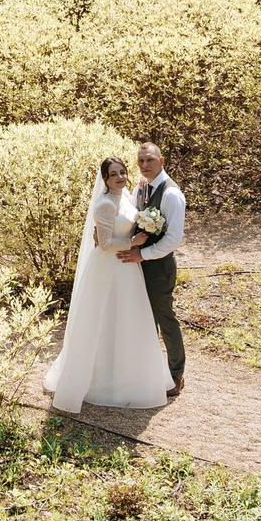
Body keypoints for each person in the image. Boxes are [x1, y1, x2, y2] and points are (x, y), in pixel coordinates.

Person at [41, 157, 176, 414]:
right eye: (113, 174)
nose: (119, 177)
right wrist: (132, 241)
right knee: (101, 321)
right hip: (108, 267)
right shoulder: (103, 204)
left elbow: (132, 206)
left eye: (122, 172)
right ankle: (98, 380)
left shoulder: (126, 195)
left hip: (127, 269)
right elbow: (104, 243)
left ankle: (128, 378)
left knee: (127, 319)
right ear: (104, 179)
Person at [116, 141, 188, 397]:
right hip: (138, 265)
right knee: (143, 320)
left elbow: (173, 239)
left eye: (150, 160)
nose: (145, 165)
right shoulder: (141, 188)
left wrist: (142, 255)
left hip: (159, 267)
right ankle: (148, 372)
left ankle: (175, 374)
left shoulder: (171, 194)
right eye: (141, 161)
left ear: (162, 161)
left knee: (165, 319)